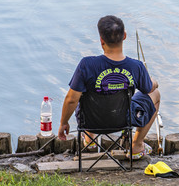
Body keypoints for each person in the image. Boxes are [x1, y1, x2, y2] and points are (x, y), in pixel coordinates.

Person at [58, 15, 160, 159]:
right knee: (156, 95)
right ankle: (136, 146)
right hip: (124, 121)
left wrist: (63, 123)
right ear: (124, 36)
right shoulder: (136, 66)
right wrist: (154, 81)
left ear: (101, 40)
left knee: (82, 94)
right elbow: (148, 89)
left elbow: (71, 100)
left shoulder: (87, 65)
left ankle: (89, 140)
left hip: (90, 121)